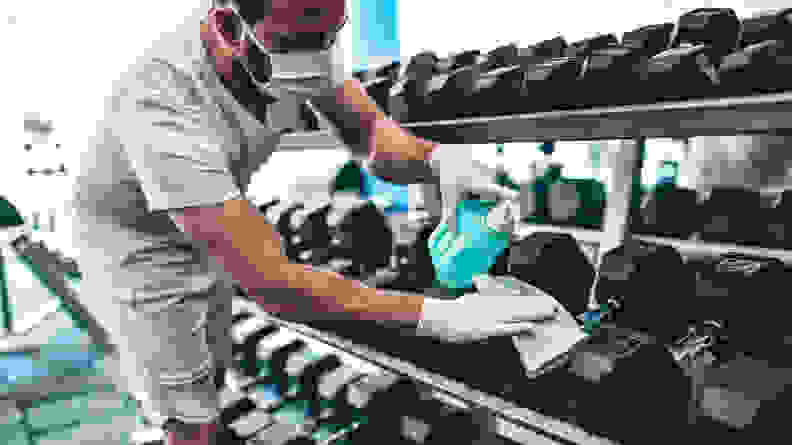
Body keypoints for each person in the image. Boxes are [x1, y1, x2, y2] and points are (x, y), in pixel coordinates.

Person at [68, 1, 546, 444]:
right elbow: (274, 285)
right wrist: (435, 316)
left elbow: (372, 136)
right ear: (228, 28)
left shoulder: (300, 34)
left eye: (329, 35)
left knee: (215, 370)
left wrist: (438, 161)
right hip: (139, 244)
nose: (316, 58)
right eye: (295, 43)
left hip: (206, 214)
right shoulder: (162, 103)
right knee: (189, 408)